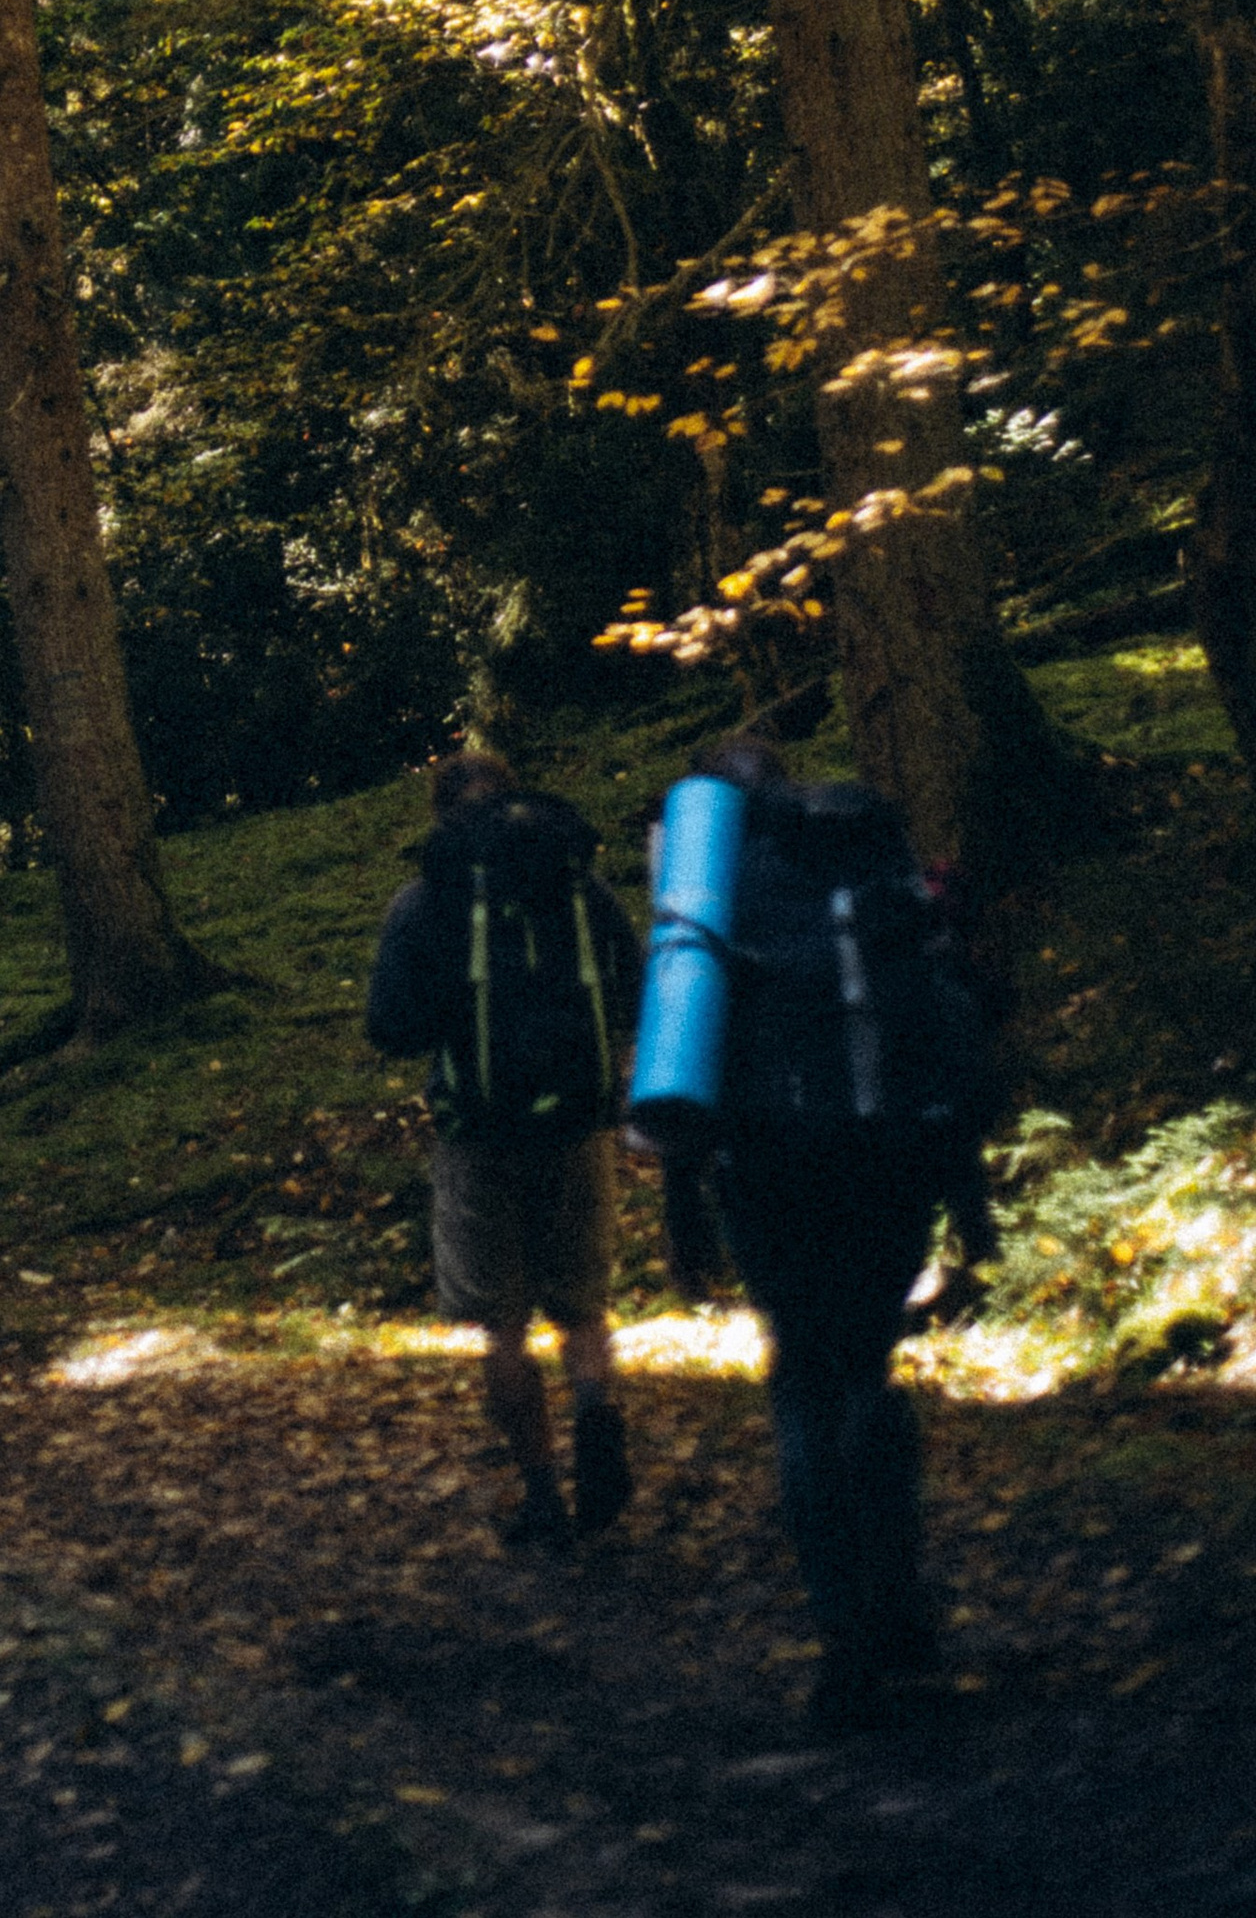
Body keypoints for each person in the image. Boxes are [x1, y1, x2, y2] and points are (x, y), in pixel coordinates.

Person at [661, 735, 998, 1736]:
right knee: (868, 1369)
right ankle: (904, 1615)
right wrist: (970, 1203)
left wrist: (686, 1217)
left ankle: (844, 1645)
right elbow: (945, 1010)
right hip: (895, 1154)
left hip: (771, 1169)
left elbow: (682, 1061)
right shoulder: (866, 851)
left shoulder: (710, 893)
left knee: (803, 1383)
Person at [366, 748, 643, 1546]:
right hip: (578, 1126)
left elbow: (390, 1027)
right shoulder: (582, 886)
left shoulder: (426, 899)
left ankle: (543, 1495)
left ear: (441, 813)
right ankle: (595, 1411)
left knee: (504, 1327)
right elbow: (632, 988)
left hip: (478, 1137)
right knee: (583, 1307)